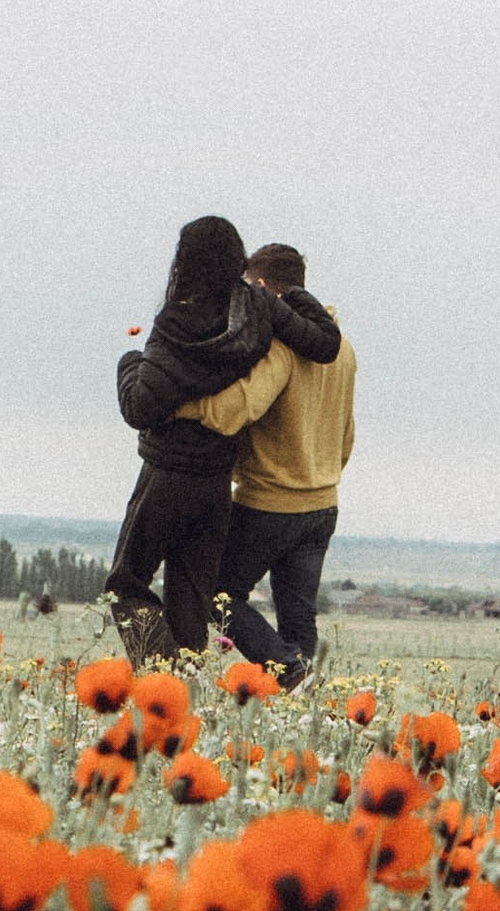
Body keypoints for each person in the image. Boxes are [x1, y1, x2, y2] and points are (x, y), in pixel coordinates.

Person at [108, 219, 339, 660]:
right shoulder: (260, 310)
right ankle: (186, 696)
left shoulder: (175, 323)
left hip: (167, 475)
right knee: (191, 602)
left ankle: (162, 681)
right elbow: (325, 343)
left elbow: (139, 408)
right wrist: (290, 293)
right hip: (216, 483)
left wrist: (129, 362)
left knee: (125, 586)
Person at [179, 241, 356, 672]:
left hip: (270, 504)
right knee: (299, 617)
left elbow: (239, 407)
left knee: (215, 593)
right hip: (323, 504)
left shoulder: (282, 348)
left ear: (260, 286)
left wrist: (177, 404)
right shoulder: (343, 349)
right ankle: (302, 702)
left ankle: (282, 665)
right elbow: (347, 435)